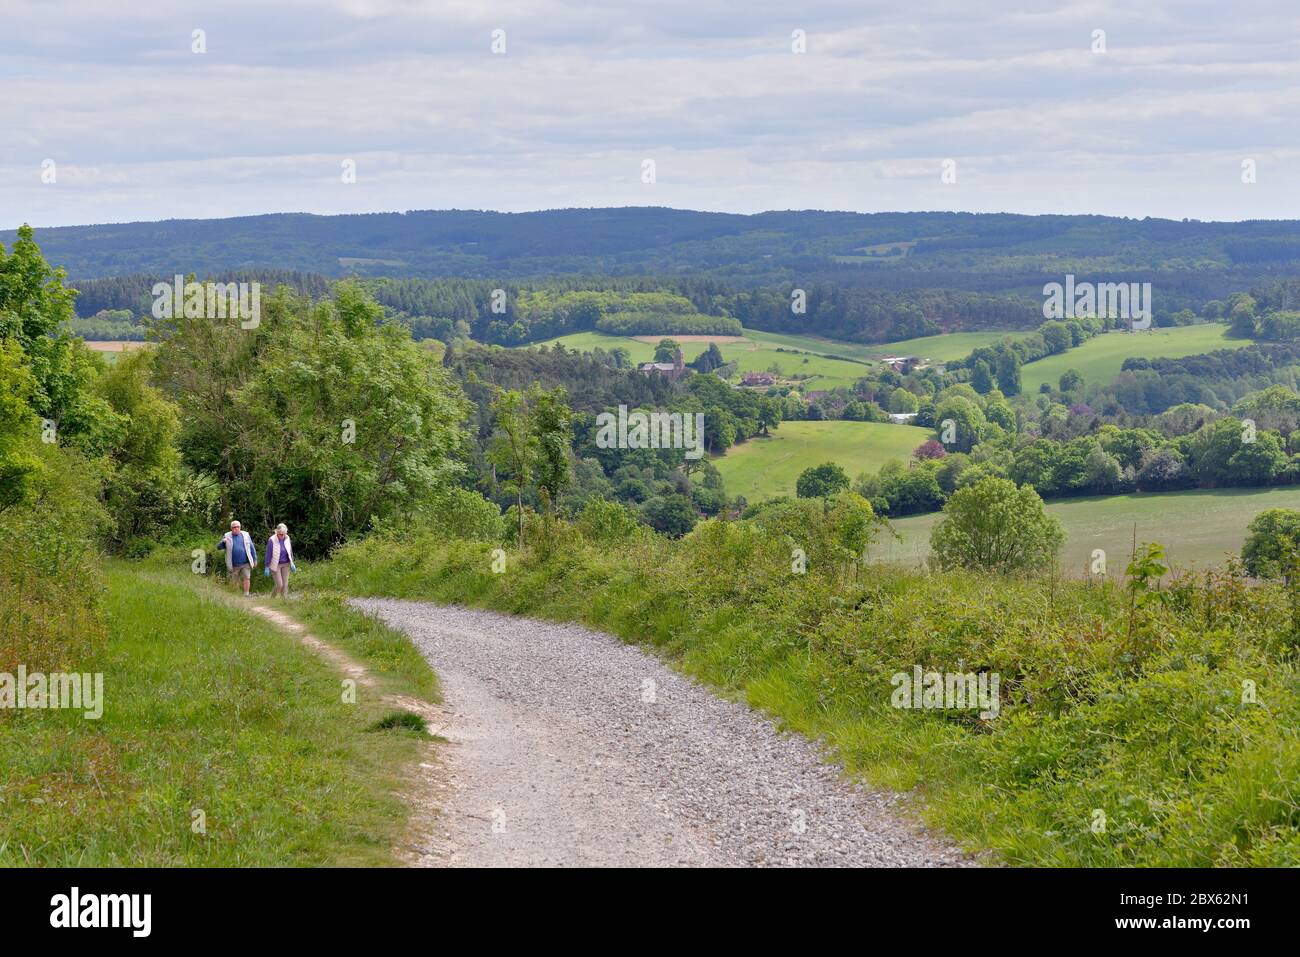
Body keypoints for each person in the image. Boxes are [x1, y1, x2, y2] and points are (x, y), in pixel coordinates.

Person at [217, 520, 257, 596]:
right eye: (234, 527)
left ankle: (246, 594)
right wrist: (223, 542)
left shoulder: (245, 535)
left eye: (238, 527)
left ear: (240, 527)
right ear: (231, 528)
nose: (236, 528)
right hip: (234, 564)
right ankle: (236, 595)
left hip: (246, 562)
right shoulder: (227, 536)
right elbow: (218, 547)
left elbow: (252, 547)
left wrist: (254, 559)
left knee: (247, 578)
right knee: (235, 580)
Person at [266, 523, 297, 598]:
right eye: (280, 534)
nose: (281, 536)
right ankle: (272, 598)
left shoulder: (287, 538)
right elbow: (268, 554)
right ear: (277, 532)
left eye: (283, 534)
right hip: (275, 565)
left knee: (285, 584)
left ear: (286, 533)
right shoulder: (272, 540)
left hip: (286, 564)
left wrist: (292, 563)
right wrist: (267, 566)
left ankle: (284, 601)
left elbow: (290, 551)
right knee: (279, 584)